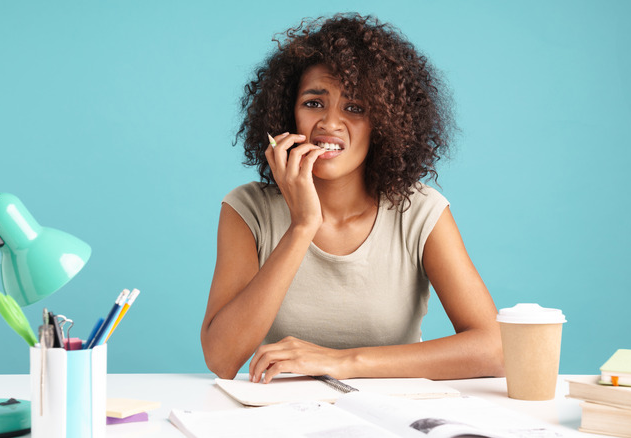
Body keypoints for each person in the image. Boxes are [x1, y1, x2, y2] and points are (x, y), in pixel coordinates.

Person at [201, 13, 504, 383]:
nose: (330, 123)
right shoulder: (247, 209)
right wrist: (302, 225)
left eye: (355, 108)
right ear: (286, 114)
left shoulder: (420, 211)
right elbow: (221, 358)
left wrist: (341, 362)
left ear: (385, 124)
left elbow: (497, 349)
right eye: (313, 103)